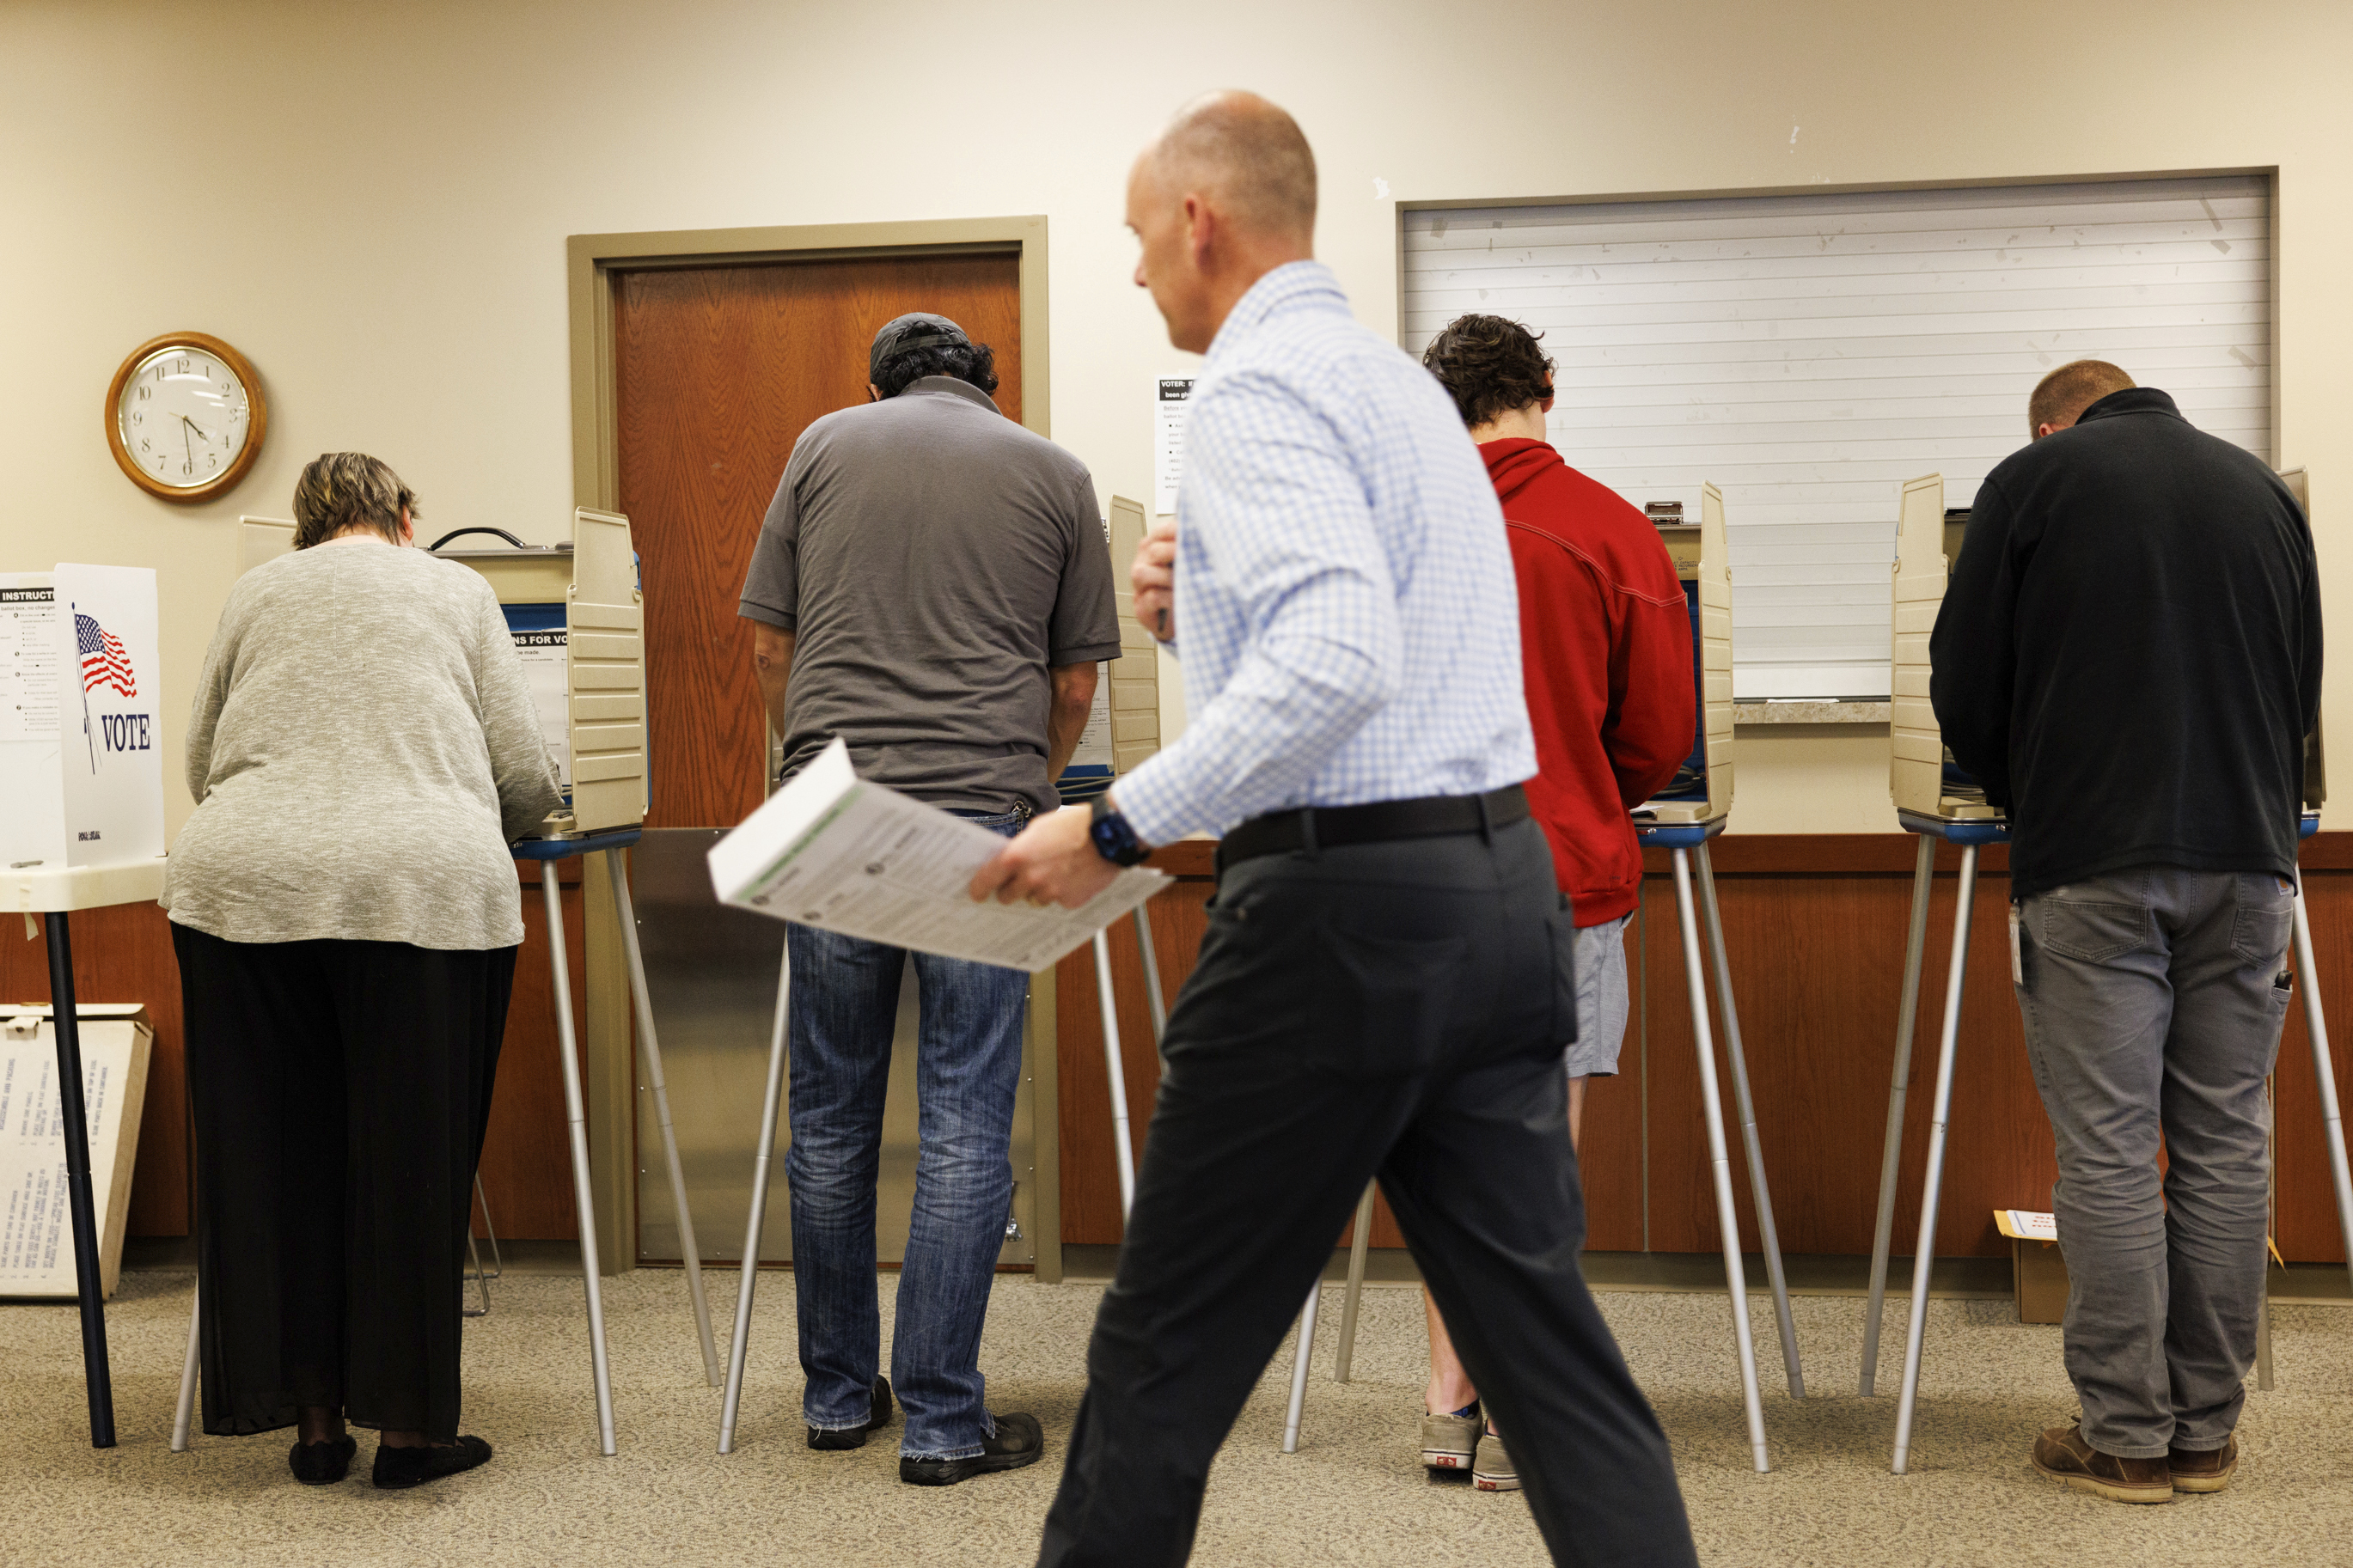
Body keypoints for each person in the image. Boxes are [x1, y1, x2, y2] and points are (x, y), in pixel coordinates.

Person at [973, 92, 1699, 1567]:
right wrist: (1210, 618)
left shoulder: (1249, 395)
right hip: (1504, 903)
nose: (1128, 274)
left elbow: (1338, 665)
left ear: (1198, 223)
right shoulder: (1397, 397)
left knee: (1159, 1357)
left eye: (1131, 238)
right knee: (1553, 1369)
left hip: (1340, 919)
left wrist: (1110, 826)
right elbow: (1403, 647)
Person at [736, 312, 1120, 1485]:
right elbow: (1071, 681)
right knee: (964, 1118)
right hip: (979, 821)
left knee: (833, 1116)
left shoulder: (819, 444)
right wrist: (1030, 787)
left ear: (873, 385)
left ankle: (839, 1397)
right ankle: (947, 1421)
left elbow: (767, 650)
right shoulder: (1056, 471)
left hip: (839, 817)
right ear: (989, 387)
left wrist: (804, 772)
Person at [1933, 359, 2321, 1504]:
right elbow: (2297, 689)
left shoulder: (2032, 479)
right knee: (2224, 1143)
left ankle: (2124, 1436)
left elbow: (1964, 683)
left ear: (2053, 421)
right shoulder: (2261, 493)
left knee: (2106, 1150)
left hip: (2090, 860)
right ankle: (2205, 1434)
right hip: (2249, 861)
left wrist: (2026, 789)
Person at [164, 453, 562, 1490]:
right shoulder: (456, 586)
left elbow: (202, 757)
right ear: (406, 518)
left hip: (242, 887)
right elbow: (517, 768)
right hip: (418, 888)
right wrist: (515, 815)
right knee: (410, 1162)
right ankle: (409, 1437)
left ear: (304, 528)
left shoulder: (256, 589)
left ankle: (312, 1427)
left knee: (274, 1158)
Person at [1414, 314, 1695, 1492]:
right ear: (1543, 391)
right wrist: (1584, 795)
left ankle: (1444, 1405)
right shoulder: (1610, 527)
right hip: (1560, 885)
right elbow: (1657, 732)